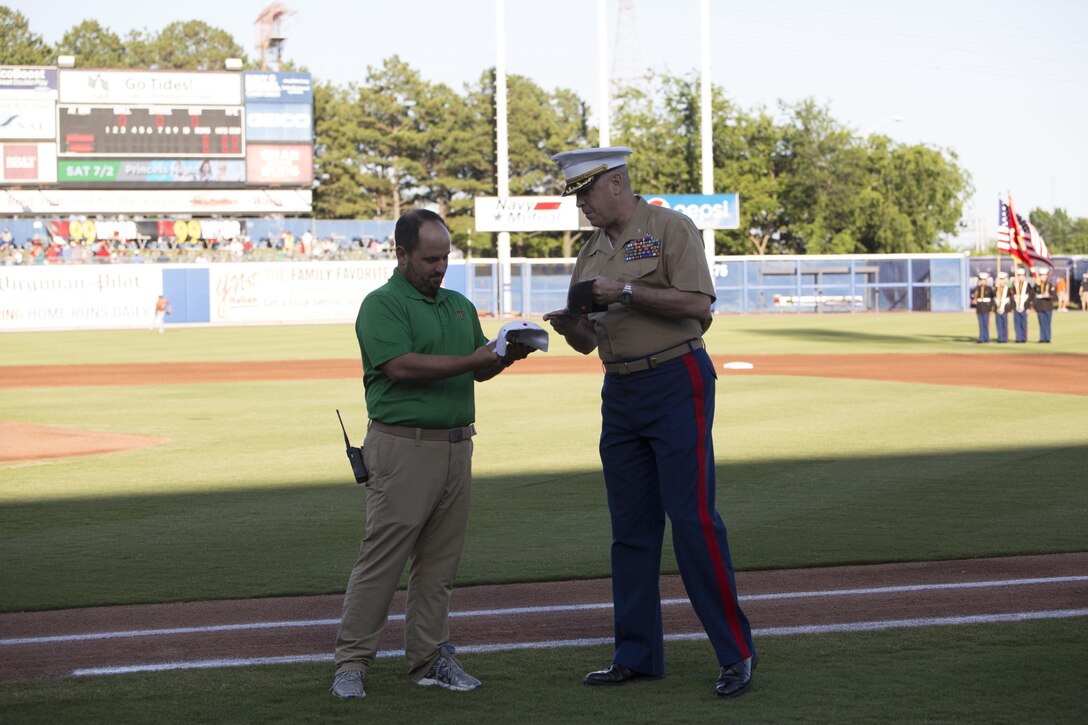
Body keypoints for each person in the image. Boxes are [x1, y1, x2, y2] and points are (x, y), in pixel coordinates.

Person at [542, 147, 757, 699]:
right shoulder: (588, 252)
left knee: (691, 520)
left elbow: (700, 306)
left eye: (587, 191)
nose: (582, 204)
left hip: (675, 377)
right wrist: (569, 326)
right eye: (576, 195)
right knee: (631, 529)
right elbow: (590, 341)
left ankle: (736, 653)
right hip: (620, 389)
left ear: (616, 183)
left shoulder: (669, 227)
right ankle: (636, 656)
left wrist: (627, 291)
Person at [331, 209, 533, 700]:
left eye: (445, 258)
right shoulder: (382, 304)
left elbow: (477, 370)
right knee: (382, 560)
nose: (439, 267)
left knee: (440, 566)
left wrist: (504, 355)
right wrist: (476, 358)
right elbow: (400, 367)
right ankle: (351, 663)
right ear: (400, 254)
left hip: (455, 445)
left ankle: (429, 659)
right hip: (401, 446)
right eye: (429, 259)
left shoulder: (459, 305)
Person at [1011, 267, 1033, 343]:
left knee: (1023, 323)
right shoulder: (1014, 284)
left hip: (1024, 306)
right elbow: (1011, 294)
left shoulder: (1027, 285)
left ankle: (1023, 338)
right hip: (1016, 306)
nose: (1020, 277)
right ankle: (1018, 338)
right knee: (1016, 323)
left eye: (1021, 275)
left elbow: (1030, 297)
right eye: (1019, 275)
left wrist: (1029, 307)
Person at [971, 272, 994, 343]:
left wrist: (991, 309)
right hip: (979, 308)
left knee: (986, 324)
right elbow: (973, 298)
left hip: (986, 308)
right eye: (981, 280)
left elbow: (992, 299)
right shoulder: (977, 289)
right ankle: (981, 338)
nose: (982, 282)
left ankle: (986, 338)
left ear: (986, 281)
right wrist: (974, 302)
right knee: (981, 324)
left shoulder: (989, 289)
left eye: (984, 280)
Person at [1033, 267, 1054, 343]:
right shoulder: (1037, 285)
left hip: (1048, 307)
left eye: (1044, 275)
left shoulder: (1050, 285)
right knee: (1041, 323)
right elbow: (1033, 295)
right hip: (1040, 307)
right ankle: (1042, 338)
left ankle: (1047, 338)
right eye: (1041, 275)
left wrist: (1049, 295)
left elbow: (1054, 296)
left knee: (1047, 323)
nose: (1042, 276)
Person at [993, 271, 1012, 343]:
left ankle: (1005, 338)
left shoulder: (1008, 287)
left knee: (1005, 324)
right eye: (1000, 279)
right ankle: (1000, 338)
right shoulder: (996, 287)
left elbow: (1012, 292)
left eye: (1003, 279)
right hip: (998, 308)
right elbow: (993, 296)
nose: (1001, 281)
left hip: (1005, 308)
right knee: (999, 324)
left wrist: (1007, 282)